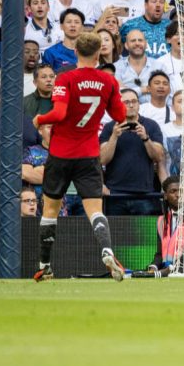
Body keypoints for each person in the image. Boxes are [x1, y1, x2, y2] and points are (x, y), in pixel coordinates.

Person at [31, 32, 128, 282]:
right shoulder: (108, 81)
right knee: (95, 209)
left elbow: (60, 112)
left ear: (75, 52)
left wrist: (40, 119)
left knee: (50, 209)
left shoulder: (66, 78)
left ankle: (45, 265)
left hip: (61, 153)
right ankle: (107, 250)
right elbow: (120, 114)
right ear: (98, 54)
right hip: (88, 153)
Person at [100, 88, 166, 215]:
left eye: (134, 101)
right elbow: (102, 159)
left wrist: (146, 138)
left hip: (145, 192)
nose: (131, 105)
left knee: (144, 234)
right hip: (115, 192)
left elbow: (158, 157)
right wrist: (114, 137)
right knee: (116, 233)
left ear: (139, 104)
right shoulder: (110, 127)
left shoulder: (151, 125)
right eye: (126, 102)